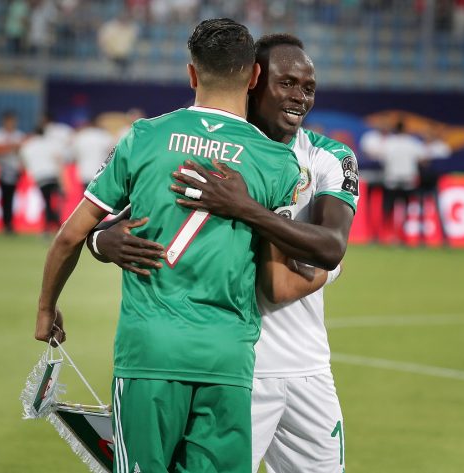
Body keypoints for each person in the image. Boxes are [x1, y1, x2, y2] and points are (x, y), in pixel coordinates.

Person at [33, 19, 300, 473]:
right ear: (254, 77)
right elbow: (275, 280)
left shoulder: (144, 137)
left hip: (149, 352)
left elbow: (70, 235)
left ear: (192, 74)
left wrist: (46, 308)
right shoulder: (278, 161)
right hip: (227, 355)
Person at [88, 33, 357, 472]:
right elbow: (115, 221)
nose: (299, 97)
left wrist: (245, 209)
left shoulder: (330, 157)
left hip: (308, 366)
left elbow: (332, 247)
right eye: (286, 83)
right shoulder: (208, 147)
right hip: (234, 369)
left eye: (308, 87)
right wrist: (101, 240)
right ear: (253, 80)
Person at [380, 119, 426, 245]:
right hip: (408, 180)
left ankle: (387, 236)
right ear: (405, 130)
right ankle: (403, 236)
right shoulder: (413, 143)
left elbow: (380, 157)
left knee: (388, 209)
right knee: (405, 210)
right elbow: (423, 158)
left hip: (392, 179)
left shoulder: (389, 142)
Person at [19, 126, 63, 234]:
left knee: (47, 202)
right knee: (53, 203)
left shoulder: (28, 145)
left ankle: (48, 227)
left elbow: (23, 160)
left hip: (40, 177)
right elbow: (58, 159)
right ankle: (56, 225)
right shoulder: (50, 144)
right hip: (52, 175)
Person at [0, 111, 25, 234]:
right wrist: (10, 147)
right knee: (4, 197)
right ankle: (5, 222)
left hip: (15, 171)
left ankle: (9, 223)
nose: (11, 124)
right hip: (2, 171)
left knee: (11, 198)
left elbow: (23, 154)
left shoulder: (19, 135)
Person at [417, 125, 451, 246]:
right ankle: (421, 238)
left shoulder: (440, 147)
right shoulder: (420, 147)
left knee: (440, 210)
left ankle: (445, 238)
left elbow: (445, 161)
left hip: (435, 183)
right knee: (421, 212)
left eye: (429, 134)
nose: (427, 136)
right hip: (422, 183)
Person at [71, 115, 114, 189]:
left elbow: (73, 156)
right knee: (100, 199)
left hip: (85, 173)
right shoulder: (103, 135)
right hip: (101, 173)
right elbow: (112, 152)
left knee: (87, 198)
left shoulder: (80, 136)